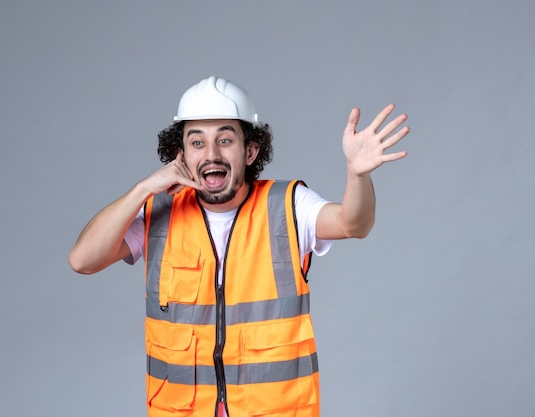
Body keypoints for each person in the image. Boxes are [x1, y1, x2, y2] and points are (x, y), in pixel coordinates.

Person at [69, 75, 410, 417]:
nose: (211, 154)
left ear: (250, 150)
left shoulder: (287, 206)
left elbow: (355, 224)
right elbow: (83, 260)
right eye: (197, 143)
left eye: (225, 139)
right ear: (181, 155)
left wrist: (358, 174)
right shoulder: (159, 213)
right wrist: (143, 189)